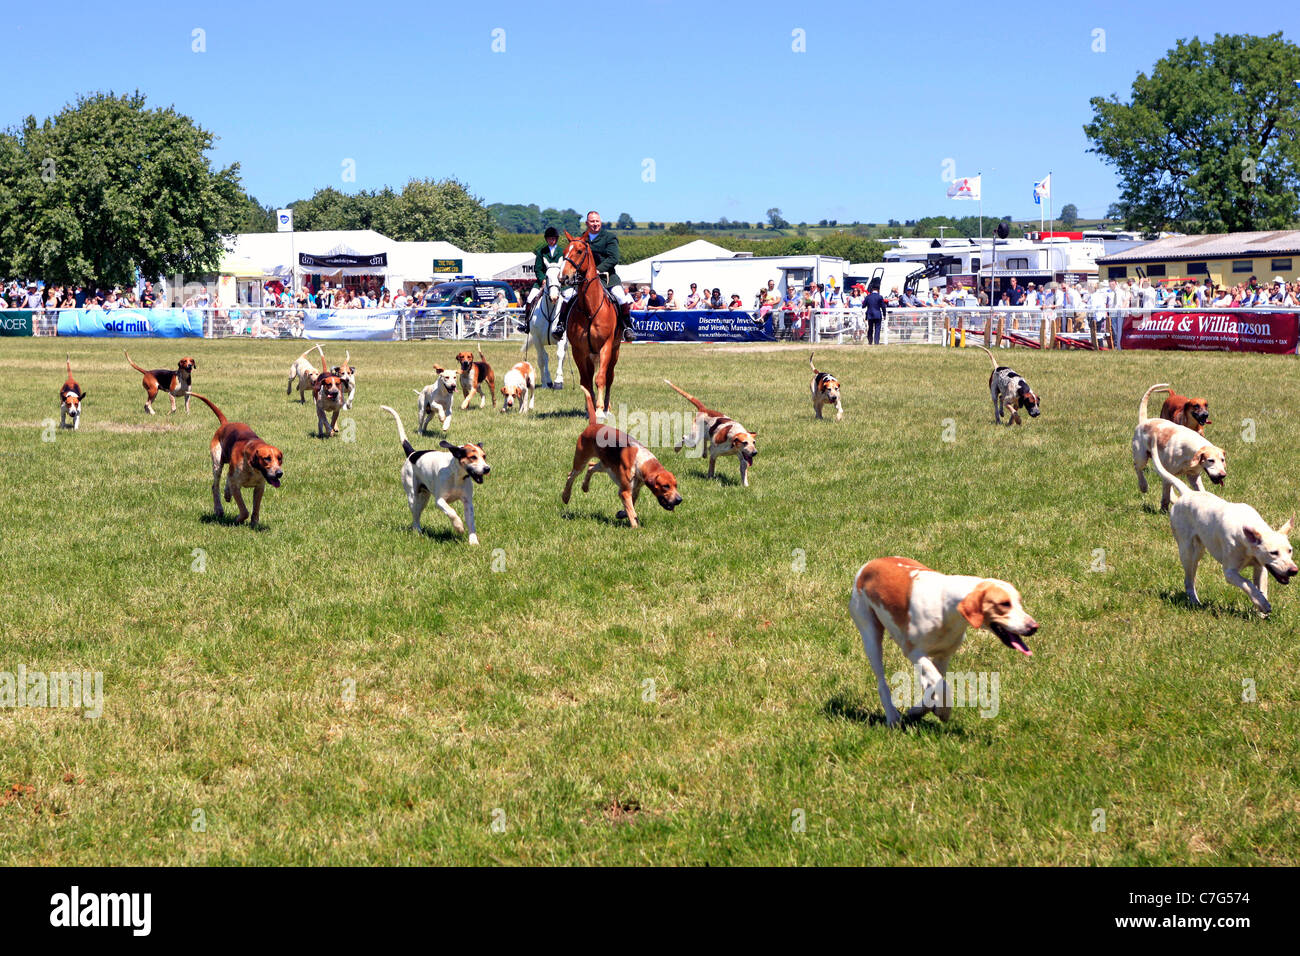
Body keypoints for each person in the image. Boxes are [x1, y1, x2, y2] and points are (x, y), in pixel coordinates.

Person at [553, 210, 632, 342]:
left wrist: (598, 270)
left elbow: (613, 258)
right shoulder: (581, 240)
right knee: (567, 296)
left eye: (597, 221)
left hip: (607, 278)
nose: (595, 224)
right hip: (584, 279)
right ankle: (561, 326)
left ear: (600, 222)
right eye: (592, 221)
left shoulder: (609, 237)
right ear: (587, 223)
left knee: (620, 296)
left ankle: (627, 328)